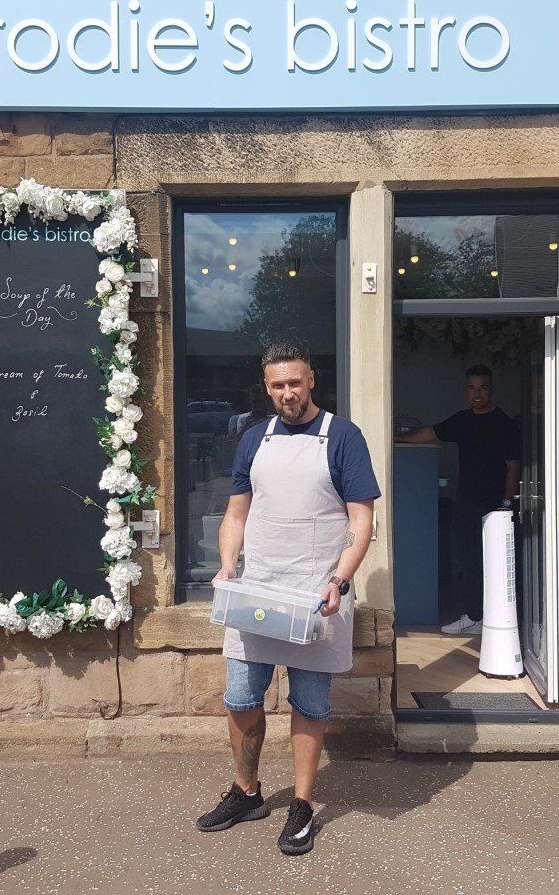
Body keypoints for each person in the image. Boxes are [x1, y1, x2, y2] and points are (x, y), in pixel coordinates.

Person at [197, 342, 380, 856]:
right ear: (267, 387)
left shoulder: (343, 437)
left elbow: (362, 519)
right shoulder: (253, 439)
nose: (287, 393)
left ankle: (301, 804)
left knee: (310, 704)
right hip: (257, 592)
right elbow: (236, 513)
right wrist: (228, 565)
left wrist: (340, 580)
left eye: (294, 383)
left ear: (311, 380)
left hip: (315, 597)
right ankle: (246, 791)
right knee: (240, 698)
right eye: (277, 385)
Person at [395, 363, 519, 635]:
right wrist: (393, 437)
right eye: (472, 388)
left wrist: (507, 503)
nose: (477, 394)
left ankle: (485, 618)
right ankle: (474, 616)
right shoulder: (463, 420)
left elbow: (513, 466)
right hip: (466, 502)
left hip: (495, 506)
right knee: (466, 559)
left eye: (483, 388)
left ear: (491, 390)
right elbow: (429, 433)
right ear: (466, 391)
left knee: (493, 562)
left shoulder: (504, 424)